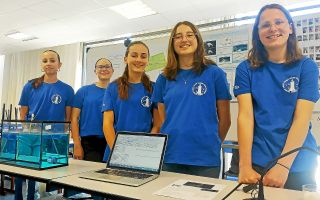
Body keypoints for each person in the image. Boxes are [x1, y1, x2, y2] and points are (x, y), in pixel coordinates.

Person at [234, 3, 319, 190]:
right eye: (265, 25)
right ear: (258, 33)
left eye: (279, 22)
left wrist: (283, 165)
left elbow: (301, 119)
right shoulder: (246, 69)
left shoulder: (307, 67)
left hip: (298, 163)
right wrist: (244, 165)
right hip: (258, 161)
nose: (272, 28)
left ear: (290, 27)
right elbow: (246, 117)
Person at [152, 21, 231, 178]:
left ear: (198, 40)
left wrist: (212, 144)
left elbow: (225, 120)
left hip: (205, 159)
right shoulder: (163, 78)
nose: (184, 40)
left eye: (189, 35)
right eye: (178, 36)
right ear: (172, 43)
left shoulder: (215, 74)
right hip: (171, 156)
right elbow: (164, 119)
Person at [17, 50, 74, 200]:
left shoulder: (67, 90)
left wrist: (64, 140)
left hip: (52, 138)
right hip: (30, 135)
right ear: (41, 65)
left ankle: (35, 196)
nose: (48, 63)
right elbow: (23, 114)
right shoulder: (30, 86)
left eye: (52, 60)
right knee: (22, 171)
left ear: (59, 65)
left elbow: (67, 120)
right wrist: (24, 133)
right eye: (45, 61)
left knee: (45, 174)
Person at [102, 41, 160, 161]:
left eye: (143, 56)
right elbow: (107, 124)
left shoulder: (154, 88)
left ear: (148, 61)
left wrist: (146, 149)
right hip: (116, 152)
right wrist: (117, 151)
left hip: (143, 153)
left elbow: (157, 125)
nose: (139, 59)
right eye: (134, 55)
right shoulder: (113, 87)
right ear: (125, 59)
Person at [71, 58, 114, 162]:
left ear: (112, 70)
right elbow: (74, 118)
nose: (104, 69)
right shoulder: (83, 91)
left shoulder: (117, 92)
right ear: (95, 71)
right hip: (89, 143)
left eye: (107, 66)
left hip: (112, 140)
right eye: (100, 67)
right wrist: (77, 145)